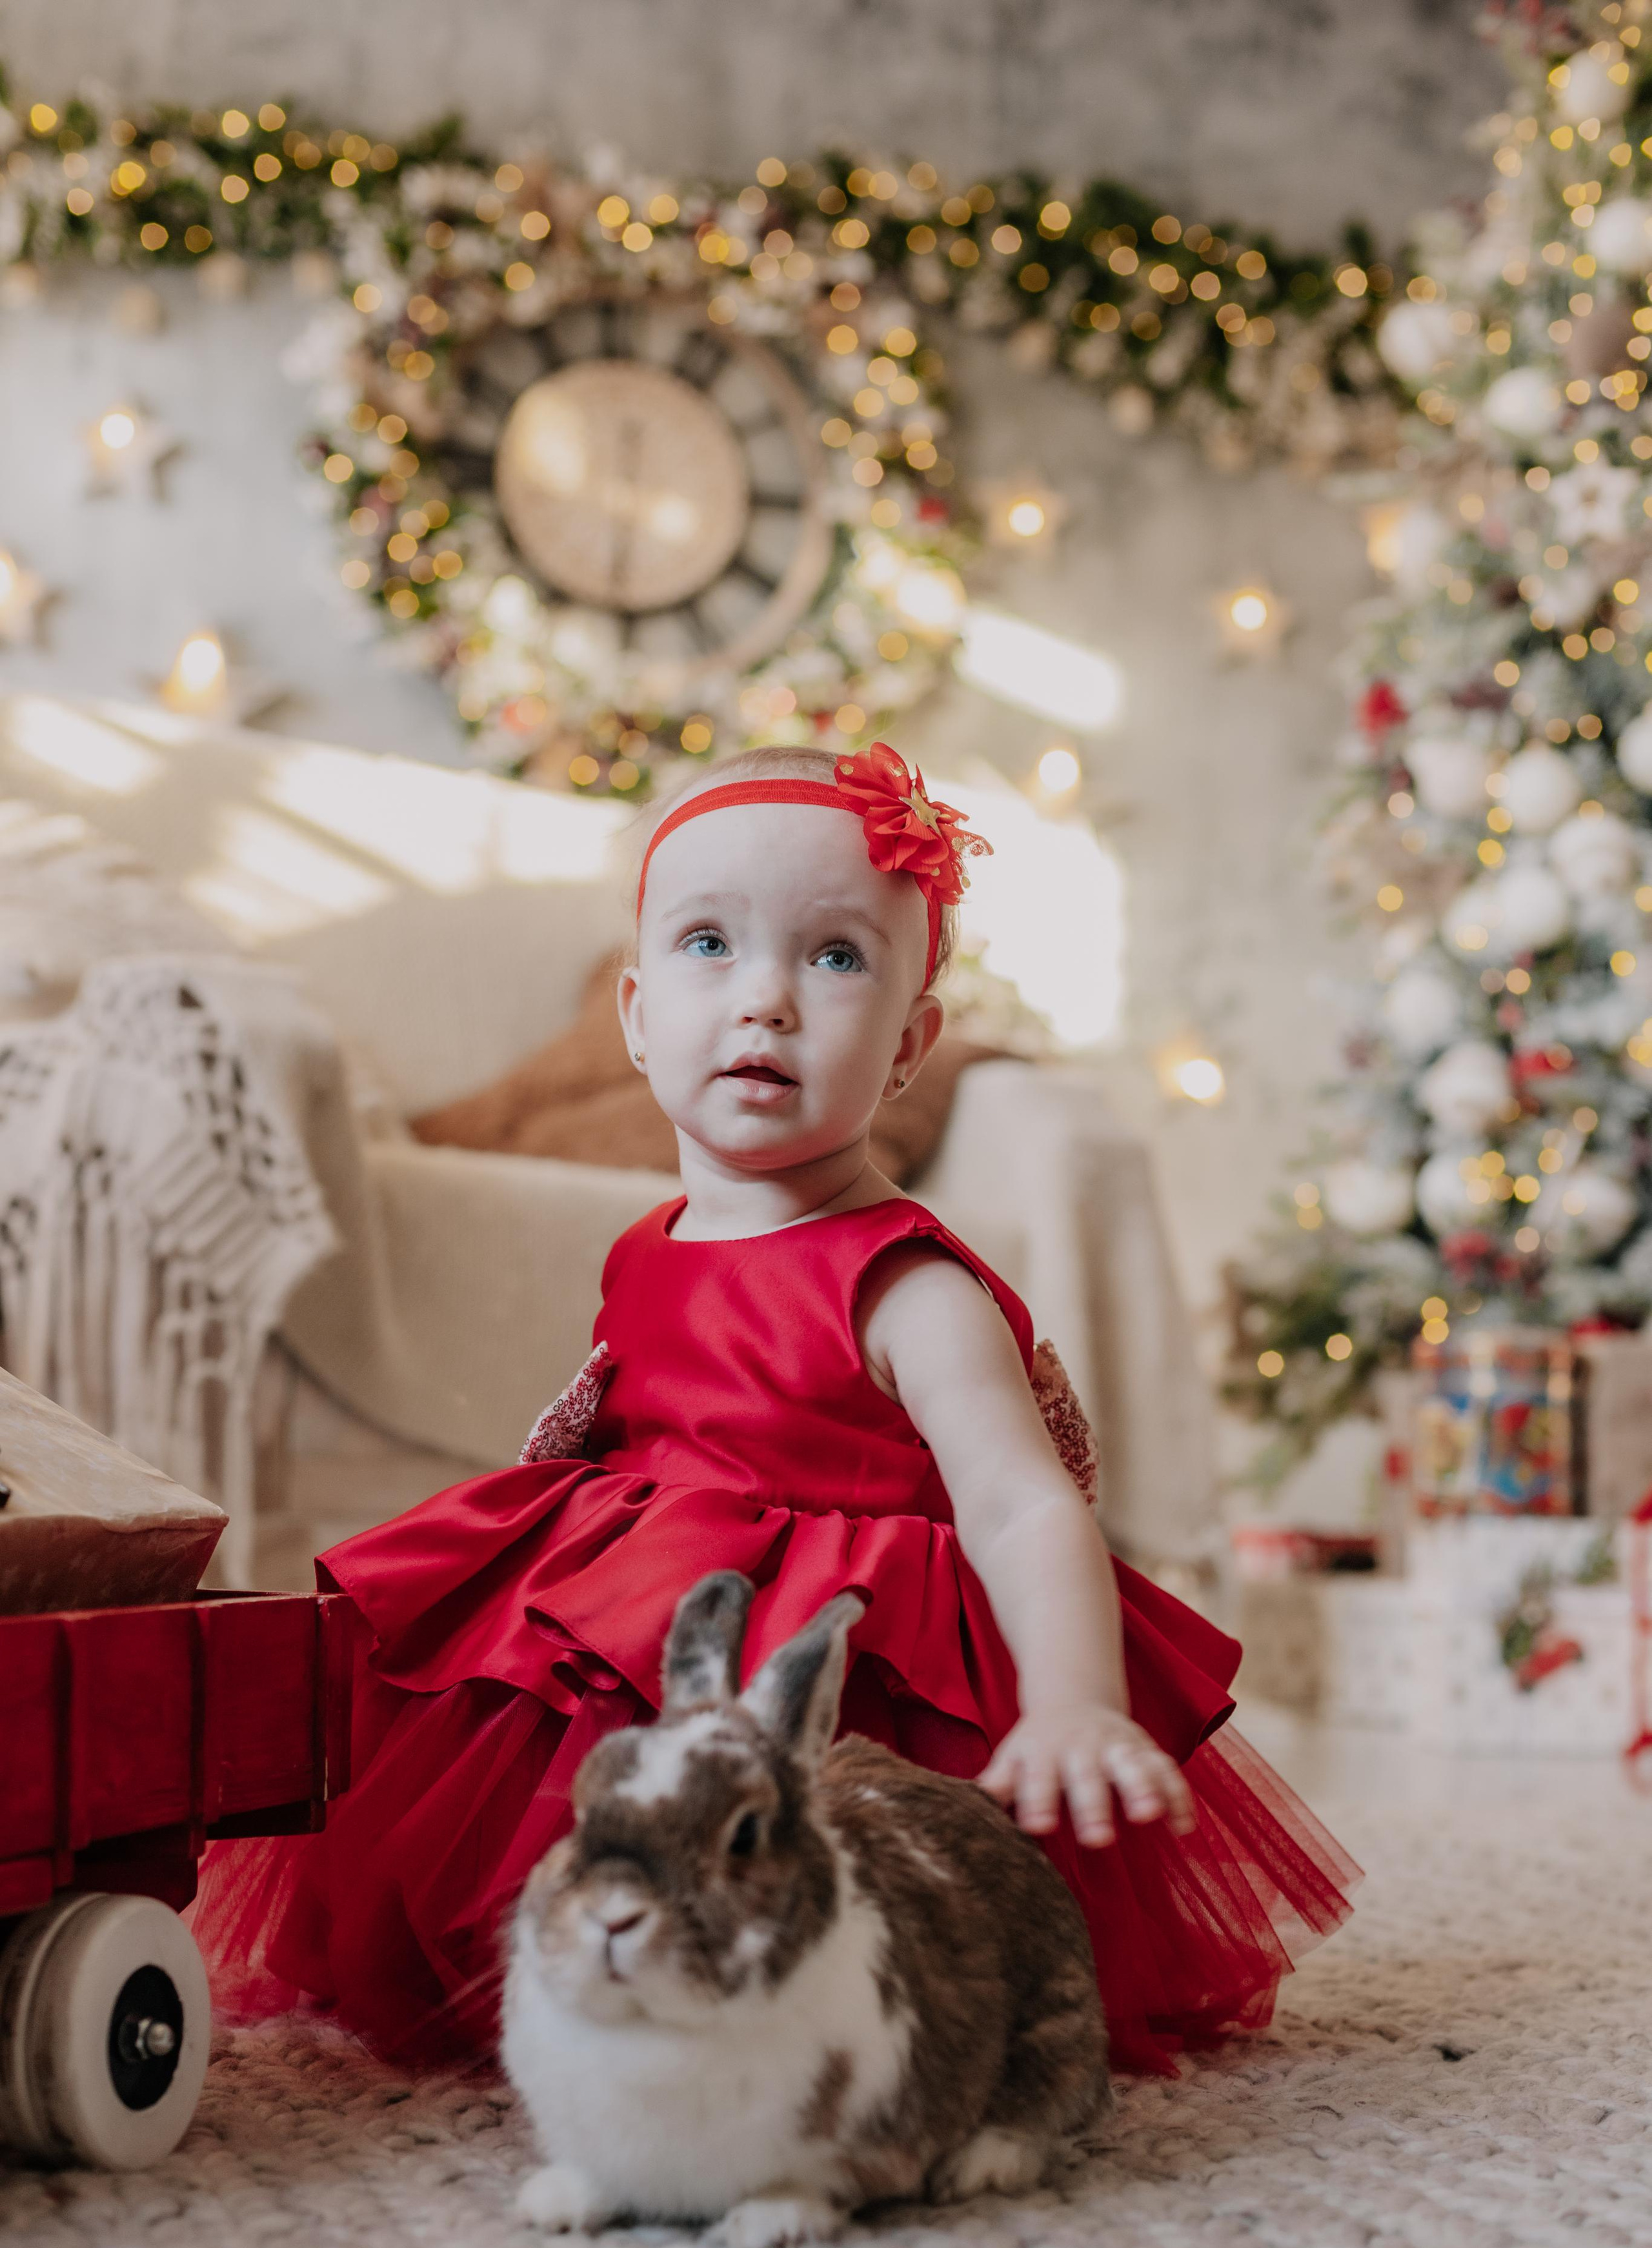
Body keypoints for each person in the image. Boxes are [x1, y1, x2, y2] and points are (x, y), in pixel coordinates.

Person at [193, 741, 1355, 2075]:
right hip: (655, 1636)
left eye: (836, 957)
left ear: (912, 1042)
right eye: (707, 944)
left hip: (846, 1689)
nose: (765, 1001)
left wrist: (1075, 1701)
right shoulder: (644, 1248)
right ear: (633, 1016)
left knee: (869, 1959)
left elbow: (1020, 1498)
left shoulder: (908, 1285)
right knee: (498, 1699)